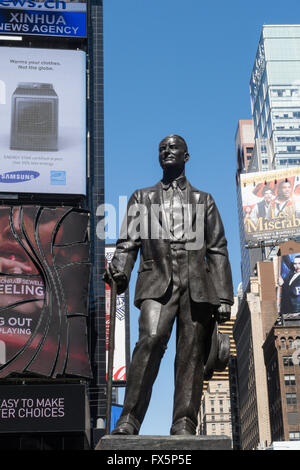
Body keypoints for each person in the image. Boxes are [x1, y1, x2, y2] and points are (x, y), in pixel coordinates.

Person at [104, 135, 234, 435]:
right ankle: (129, 418)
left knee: (190, 354)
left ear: (186, 156)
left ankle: (184, 421)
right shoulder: (142, 197)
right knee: (149, 340)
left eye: (173, 147)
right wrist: (120, 269)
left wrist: (224, 297)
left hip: (197, 287)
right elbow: (128, 242)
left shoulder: (205, 200)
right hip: (156, 281)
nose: (166, 151)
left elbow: (217, 248)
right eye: (162, 148)